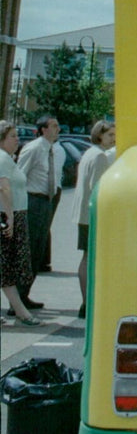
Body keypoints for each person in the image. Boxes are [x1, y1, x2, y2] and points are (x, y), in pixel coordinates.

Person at [16, 114, 65, 303]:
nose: (58, 129)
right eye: (54, 126)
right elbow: (19, 176)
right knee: (29, 249)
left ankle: (24, 294)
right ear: (43, 129)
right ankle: (18, 298)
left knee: (38, 250)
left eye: (58, 126)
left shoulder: (52, 149)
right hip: (33, 201)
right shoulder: (34, 148)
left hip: (47, 201)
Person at [74, 120, 116, 318]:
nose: (114, 139)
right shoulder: (99, 156)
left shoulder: (89, 153)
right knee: (89, 257)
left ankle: (86, 301)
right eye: (110, 135)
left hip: (83, 214)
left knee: (86, 256)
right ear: (100, 135)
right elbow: (98, 188)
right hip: (92, 215)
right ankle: (87, 301)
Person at [0, 121, 40, 326]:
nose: (17, 139)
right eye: (13, 136)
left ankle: (21, 311)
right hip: (7, 216)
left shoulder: (8, 158)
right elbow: (4, 189)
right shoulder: (2, 159)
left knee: (6, 267)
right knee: (7, 267)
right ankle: (22, 313)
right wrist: (10, 219)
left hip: (11, 215)